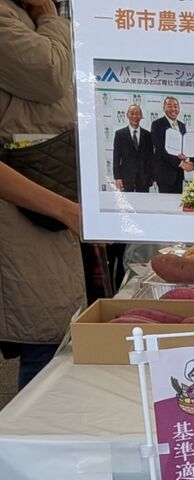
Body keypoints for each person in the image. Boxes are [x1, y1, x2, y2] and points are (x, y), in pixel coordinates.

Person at [0, 0, 86, 388]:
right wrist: (49, 16)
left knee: (53, 340)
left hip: (50, 198)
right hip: (32, 208)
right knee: (46, 351)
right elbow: (50, 73)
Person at [150, 95, 193, 194]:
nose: (173, 109)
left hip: (179, 174)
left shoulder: (182, 125)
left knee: (178, 202)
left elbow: (182, 147)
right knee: (165, 202)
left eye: (176, 106)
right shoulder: (157, 124)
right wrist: (182, 164)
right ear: (164, 108)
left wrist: (185, 157)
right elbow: (160, 149)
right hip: (164, 174)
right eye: (169, 106)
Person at [112, 103, 153, 193]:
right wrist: (117, 177)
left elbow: (150, 158)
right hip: (126, 178)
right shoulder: (119, 134)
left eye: (137, 113)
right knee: (127, 202)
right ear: (127, 115)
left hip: (143, 178)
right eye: (132, 113)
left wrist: (151, 176)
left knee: (143, 201)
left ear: (141, 116)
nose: (135, 116)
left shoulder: (148, 135)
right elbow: (116, 157)